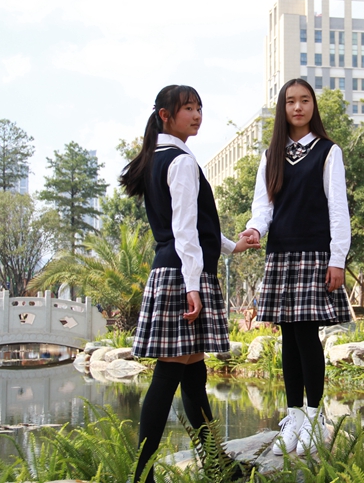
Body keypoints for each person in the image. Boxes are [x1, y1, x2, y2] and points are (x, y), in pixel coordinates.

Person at [120, 84, 257, 483]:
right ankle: (142, 474)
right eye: (188, 109)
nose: (196, 115)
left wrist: (231, 246)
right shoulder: (179, 161)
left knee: (193, 375)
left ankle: (216, 465)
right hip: (183, 275)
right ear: (165, 115)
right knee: (169, 375)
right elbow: (183, 230)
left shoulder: (159, 157)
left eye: (199, 108)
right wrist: (193, 286)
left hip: (176, 270)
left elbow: (193, 225)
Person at [240, 78, 351, 456]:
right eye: (291, 101)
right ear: (283, 108)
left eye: (305, 100)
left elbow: (338, 209)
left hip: (316, 253)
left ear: (313, 106)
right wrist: (255, 229)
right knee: (288, 336)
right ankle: (294, 418)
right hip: (281, 254)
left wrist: (337, 259)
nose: (298, 107)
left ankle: (316, 419)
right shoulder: (271, 155)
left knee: (306, 335)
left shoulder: (328, 152)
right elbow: (263, 208)